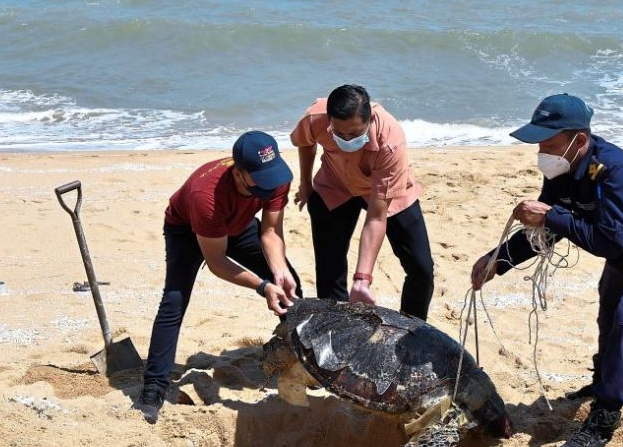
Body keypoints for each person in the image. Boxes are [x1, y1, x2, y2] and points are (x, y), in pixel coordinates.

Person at [471, 94, 623, 447]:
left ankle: (604, 418)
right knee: (609, 320)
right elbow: (547, 229)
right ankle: (603, 381)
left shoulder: (613, 170)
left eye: (549, 142)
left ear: (579, 140)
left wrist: (550, 218)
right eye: (539, 143)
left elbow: (608, 240)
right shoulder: (561, 171)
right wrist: (499, 260)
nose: (542, 151)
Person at [134, 131, 302, 424]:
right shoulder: (206, 196)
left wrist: (278, 272)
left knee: (290, 287)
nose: (270, 183)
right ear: (239, 173)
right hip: (187, 229)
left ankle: (305, 364)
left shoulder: (275, 178)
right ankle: (153, 390)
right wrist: (263, 287)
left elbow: (271, 231)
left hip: (239, 225)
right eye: (260, 179)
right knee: (174, 300)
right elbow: (216, 261)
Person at [291, 84, 435, 320]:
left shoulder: (390, 140)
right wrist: (306, 185)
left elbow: (377, 217)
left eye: (355, 134)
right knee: (329, 270)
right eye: (340, 134)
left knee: (421, 269)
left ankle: (412, 328)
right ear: (330, 121)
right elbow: (306, 143)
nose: (347, 140)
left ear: (369, 120)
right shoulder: (315, 118)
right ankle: (336, 330)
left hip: (387, 193)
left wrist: (362, 280)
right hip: (335, 185)